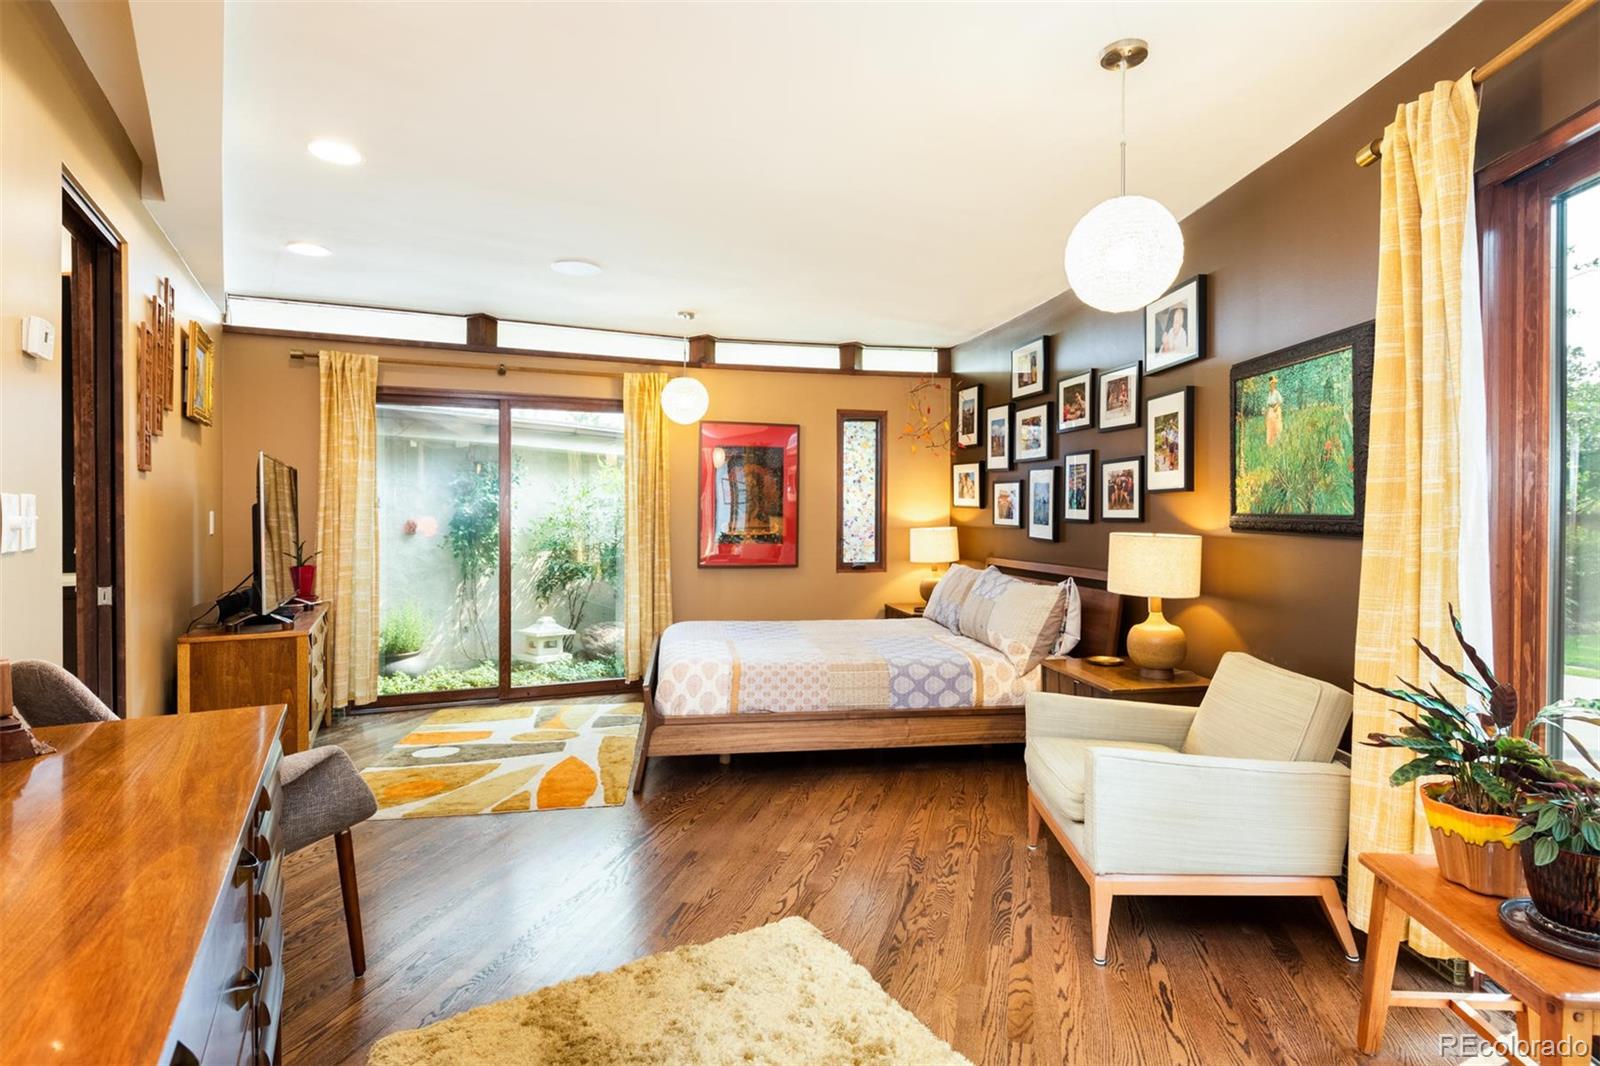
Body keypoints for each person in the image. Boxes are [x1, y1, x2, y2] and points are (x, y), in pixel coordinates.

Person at [1265, 375, 1284, 447]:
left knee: (1277, 426)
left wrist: (1276, 407)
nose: (1273, 385)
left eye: (1274, 383)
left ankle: (1277, 442)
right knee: (1270, 426)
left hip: (1276, 409)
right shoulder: (1270, 393)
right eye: (1272, 383)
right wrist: (1267, 410)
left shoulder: (1276, 392)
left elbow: (1280, 401)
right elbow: (1268, 403)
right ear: (1270, 385)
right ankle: (1270, 444)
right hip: (1270, 410)